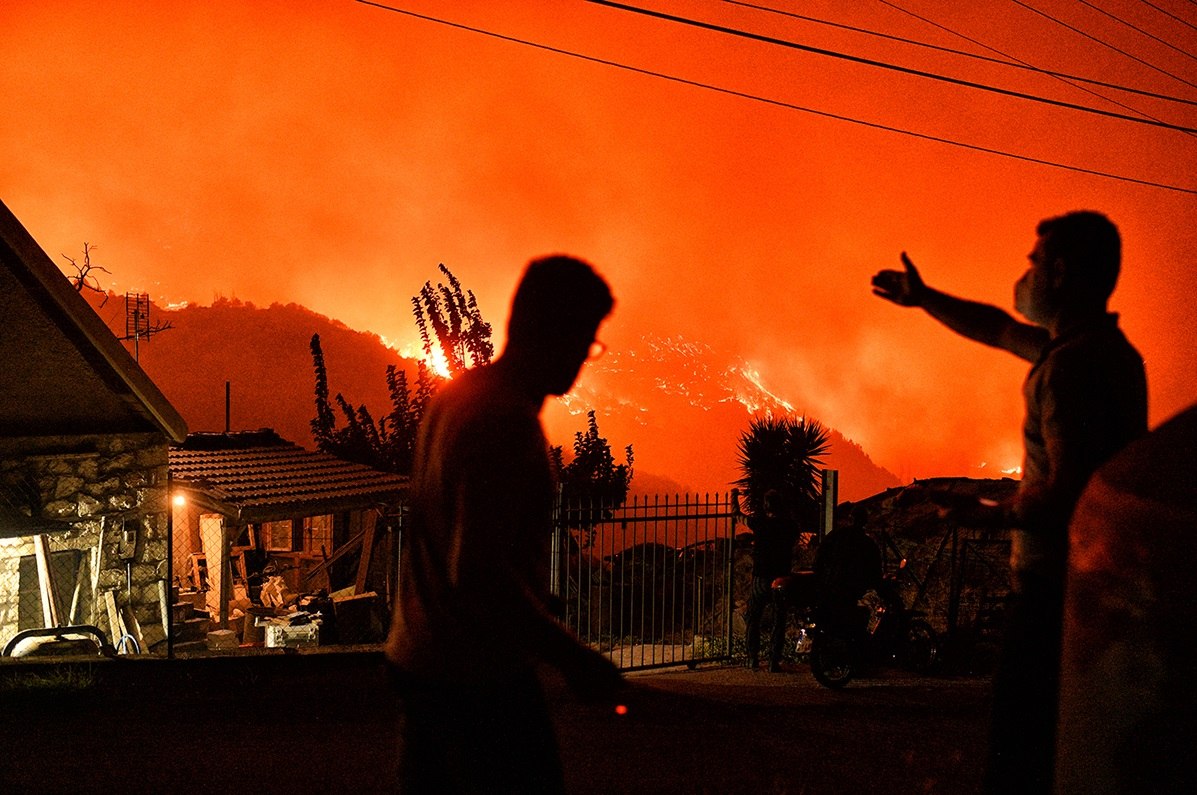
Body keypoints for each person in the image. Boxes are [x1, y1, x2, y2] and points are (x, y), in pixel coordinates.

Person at [871, 210, 1147, 794]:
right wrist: (925, 298)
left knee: (1019, 755)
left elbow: (1069, 489)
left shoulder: (1070, 369)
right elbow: (997, 328)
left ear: (1061, 273)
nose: (1024, 269)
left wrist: (978, 511)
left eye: (1035, 258)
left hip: (1051, 592)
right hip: (1086, 585)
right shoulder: (1100, 351)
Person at [385, 255, 625, 794]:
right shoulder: (506, 424)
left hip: (419, 655)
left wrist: (534, 600)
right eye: (584, 339)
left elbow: (447, 535)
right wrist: (573, 657)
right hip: (475, 675)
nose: (585, 357)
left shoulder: (456, 396)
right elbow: (476, 574)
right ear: (548, 331)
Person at [743, 489, 798, 672]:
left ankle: (752, 658)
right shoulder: (789, 526)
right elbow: (794, 541)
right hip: (781, 578)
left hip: (761, 577)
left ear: (766, 505)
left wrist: (734, 498)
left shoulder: (759, 523)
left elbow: (738, 516)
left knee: (753, 618)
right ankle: (774, 661)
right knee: (779, 619)